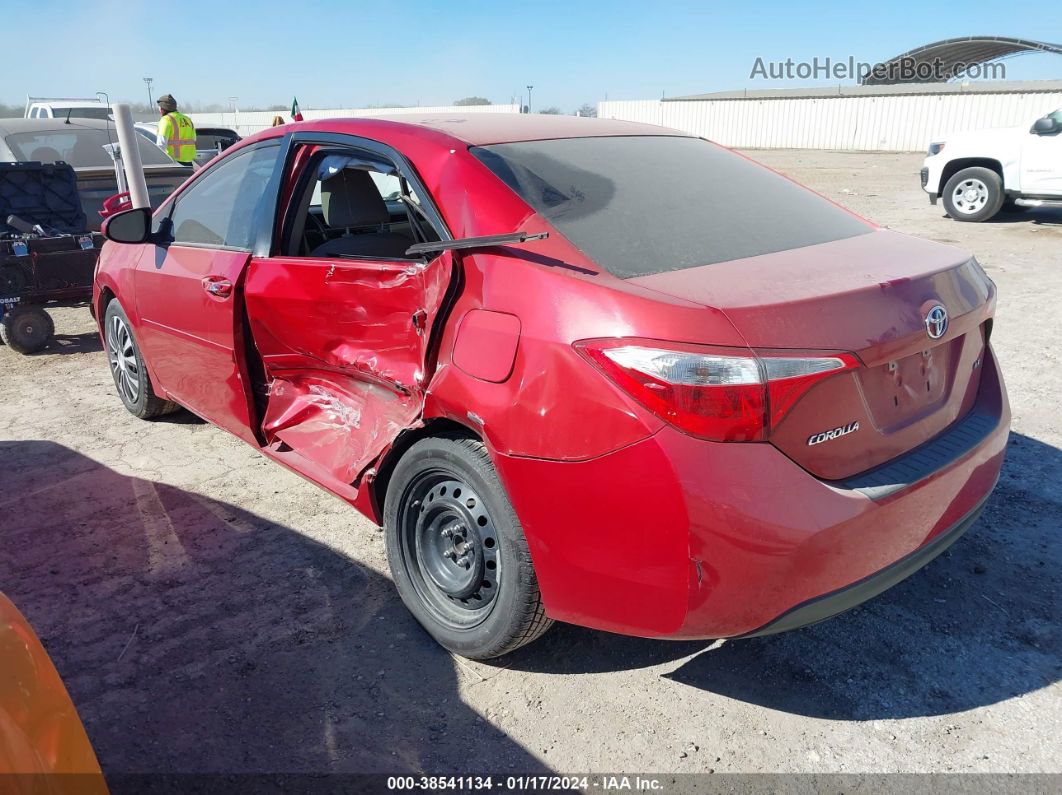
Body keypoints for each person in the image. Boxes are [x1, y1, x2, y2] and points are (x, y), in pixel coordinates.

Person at [155, 94, 197, 166]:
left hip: (174, 163)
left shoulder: (166, 120)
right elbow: (194, 139)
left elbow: (161, 144)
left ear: (163, 108)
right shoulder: (187, 119)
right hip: (189, 162)